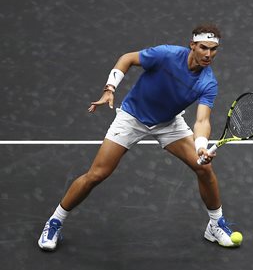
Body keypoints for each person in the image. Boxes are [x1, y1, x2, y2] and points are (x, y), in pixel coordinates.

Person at [38, 23, 241, 251]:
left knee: (204, 168)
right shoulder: (166, 54)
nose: (208, 54)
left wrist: (201, 146)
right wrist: (110, 88)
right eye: (204, 47)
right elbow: (127, 59)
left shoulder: (208, 82)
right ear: (192, 45)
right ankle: (55, 220)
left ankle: (215, 225)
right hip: (132, 117)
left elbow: (202, 120)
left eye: (214, 50)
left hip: (168, 123)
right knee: (96, 175)